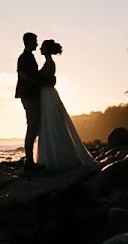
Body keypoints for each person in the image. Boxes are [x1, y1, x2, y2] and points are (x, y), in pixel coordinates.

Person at [35, 39, 98, 171]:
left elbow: (46, 80)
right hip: (46, 94)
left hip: (48, 94)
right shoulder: (48, 62)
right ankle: (50, 156)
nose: (40, 49)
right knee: (48, 123)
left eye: (42, 47)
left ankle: (59, 157)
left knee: (53, 122)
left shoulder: (50, 63)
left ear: (46, 49)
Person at [15, 32, 43, 170]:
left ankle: (30, 158)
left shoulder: (30, 57)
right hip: (28, 95)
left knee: (34, 124)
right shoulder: (23, 57)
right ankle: (29, 160)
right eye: (35, 41)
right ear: (28, 42)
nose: (37, 44)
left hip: (31, 94)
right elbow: (22, 75)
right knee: (32, 125)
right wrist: (37, 82)